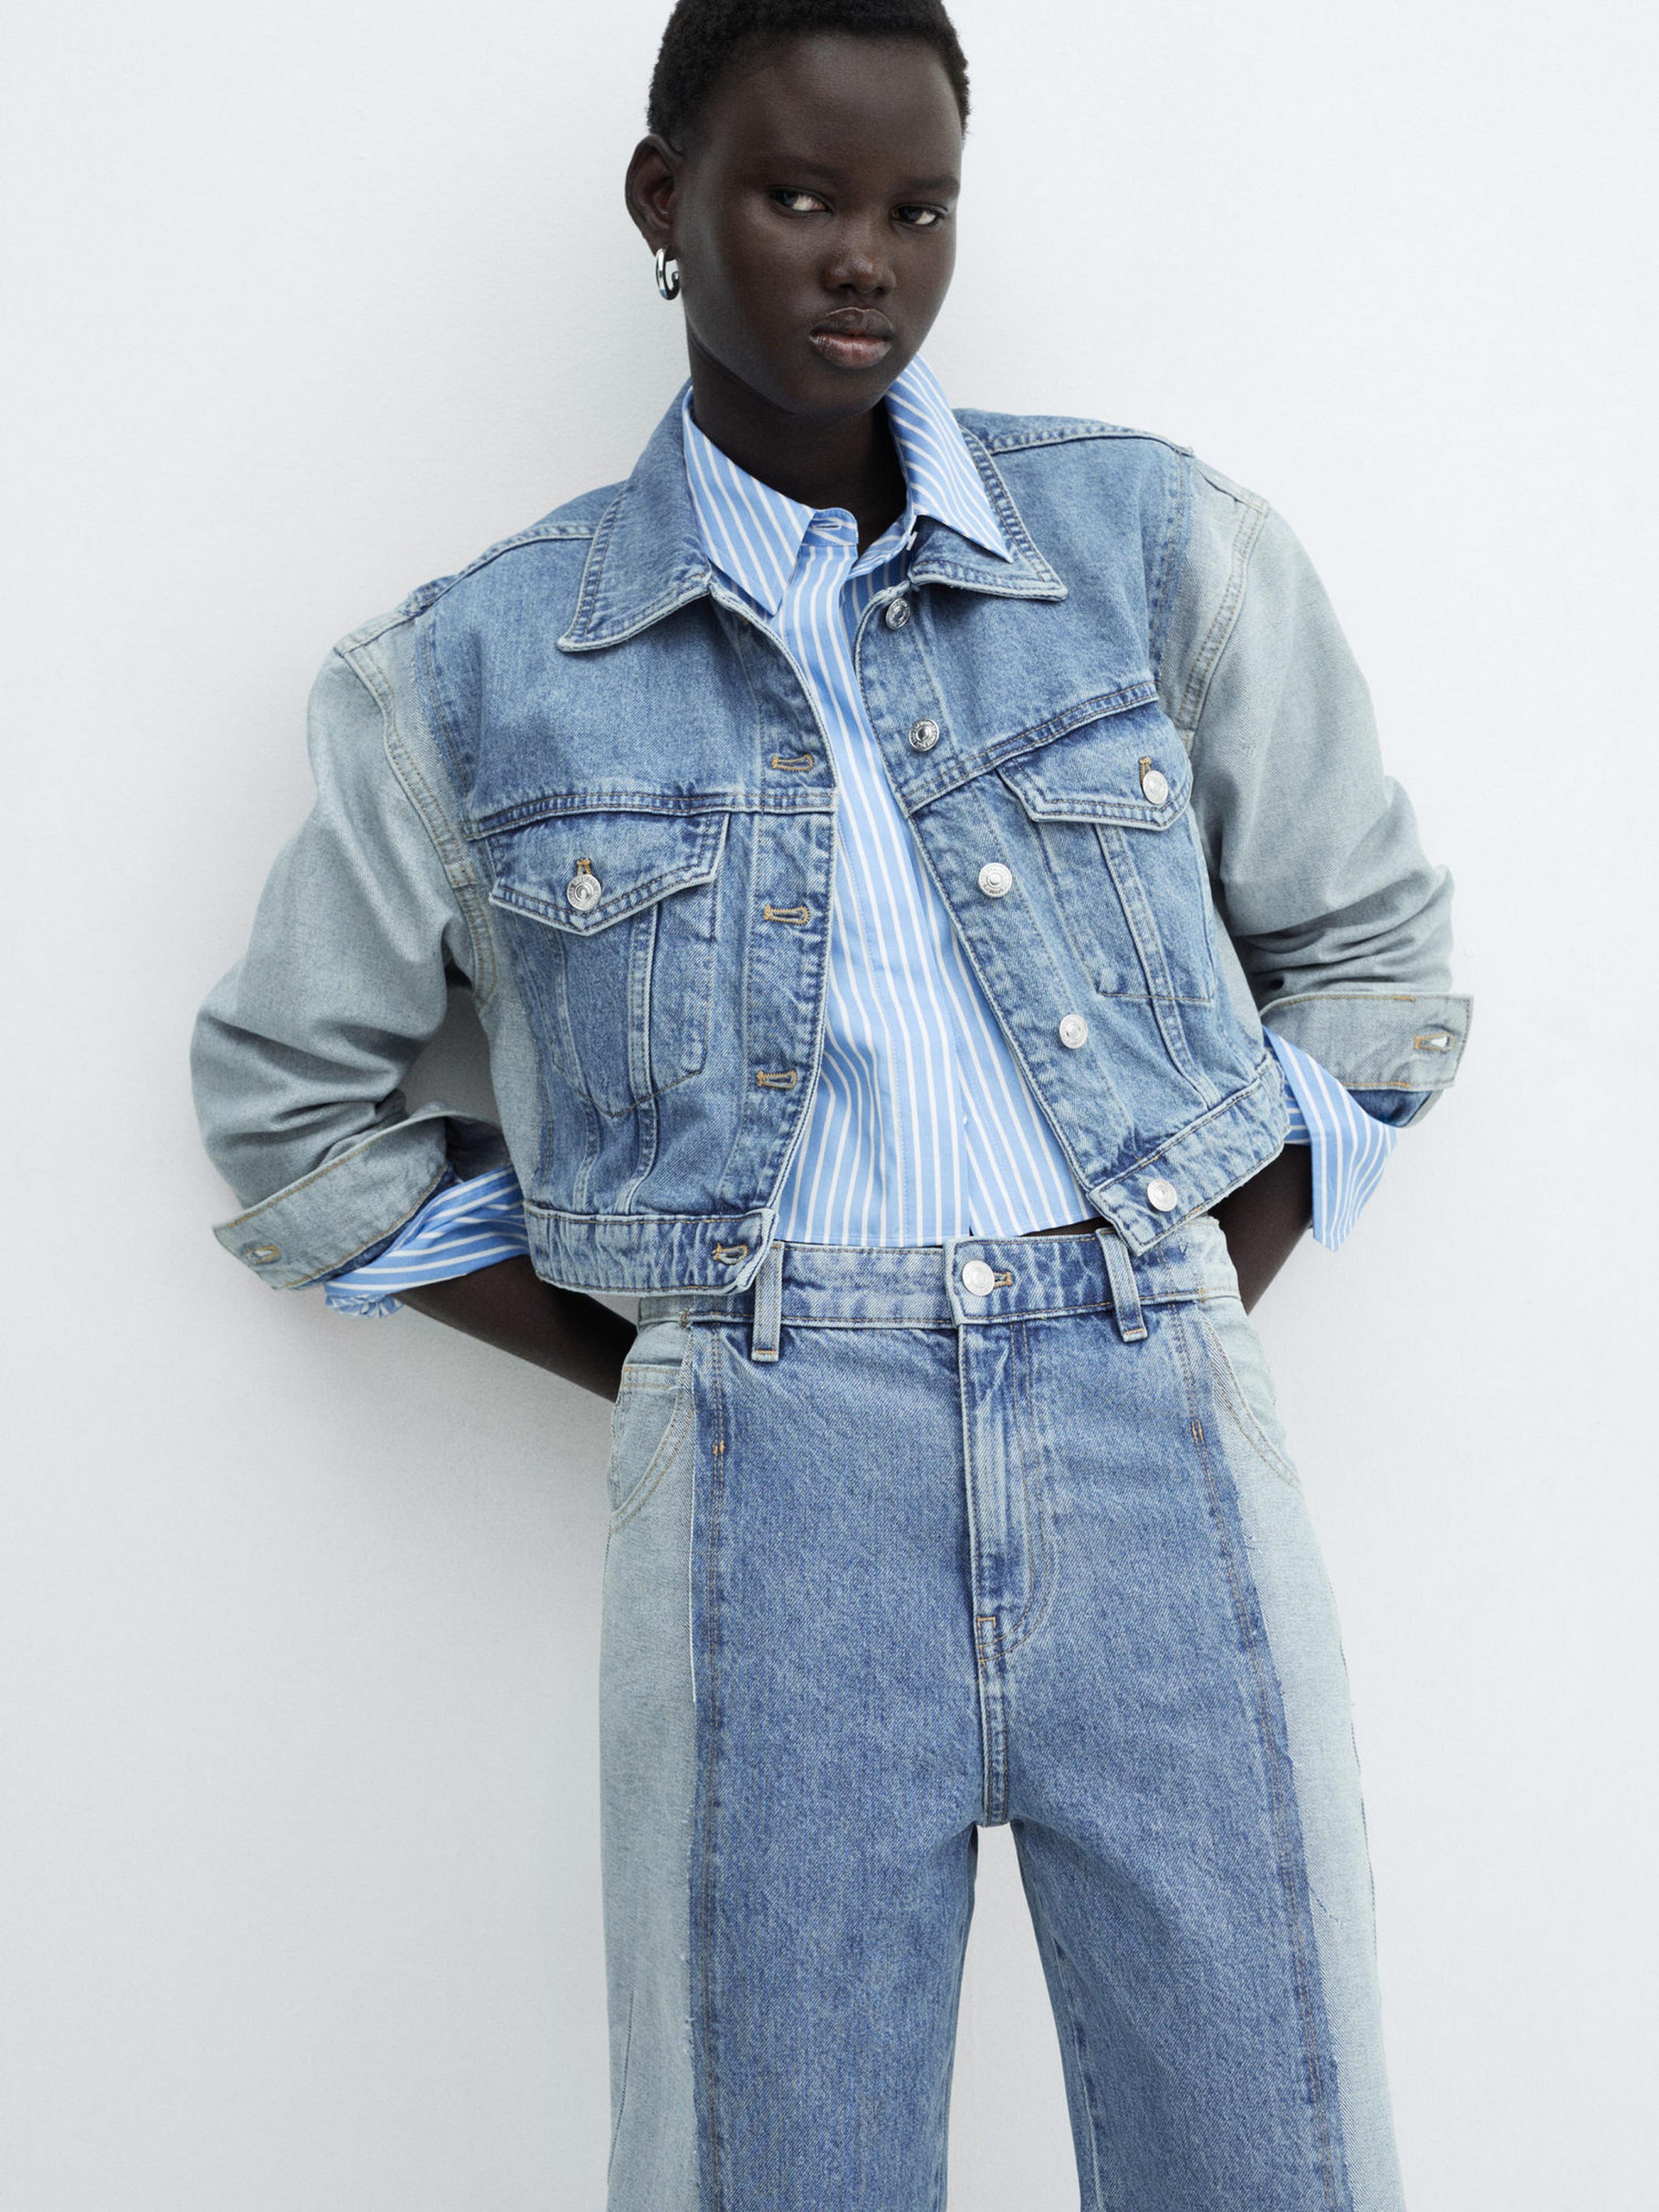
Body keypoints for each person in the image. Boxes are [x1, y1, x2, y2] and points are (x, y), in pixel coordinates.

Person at [192, 2, 1470, 2205]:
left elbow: (1376, 971)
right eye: (798, 196)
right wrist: (677, 1353)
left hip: (1154, 1426)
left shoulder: (1153, 546)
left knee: (1268, 2145)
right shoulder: (472, 675)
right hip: (764, 1478)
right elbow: (287, 1115)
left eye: (917, 208)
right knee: (768, 2164)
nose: (865, 259)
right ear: (663, 201)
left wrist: (1183, 1283)